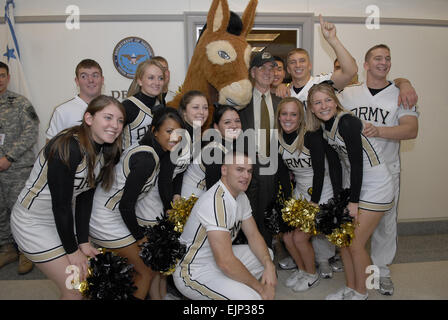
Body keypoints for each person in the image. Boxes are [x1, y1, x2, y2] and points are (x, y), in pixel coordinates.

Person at [10, 95, 125, 300]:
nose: (115, 125)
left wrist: (83, 242)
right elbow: (61, 205)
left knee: (84, 282)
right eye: (108, 118)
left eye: (119, 120)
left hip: (59, 221)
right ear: (89, 118)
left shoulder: (104, 150)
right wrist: (73, 250)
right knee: (74, 288)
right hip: (33, 223)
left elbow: (84, 197)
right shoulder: (68, 146)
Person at [337, 44, 419, 296]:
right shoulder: (349, 94)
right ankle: (355, 273)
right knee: (353, 226)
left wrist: (380, 130)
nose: (383, 63)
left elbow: (411, 130)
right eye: (377, 58)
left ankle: (381, 272)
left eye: (387, 59)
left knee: (385, 225)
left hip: (387, 170)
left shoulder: (401, 93)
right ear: (365, 64)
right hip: (354, 171)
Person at [306, 82, 394, 300]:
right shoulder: (325, 129)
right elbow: (335, 167)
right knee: (343, 242)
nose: (324, 106)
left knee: (355, 243)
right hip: (357, 184)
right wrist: (338, 201)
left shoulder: (347, 122)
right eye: (317, 102)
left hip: (376, 184)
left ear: (336, 102)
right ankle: (351, 287)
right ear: (311, 108)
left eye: (327, 100)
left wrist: (353, 201)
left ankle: (361, 292)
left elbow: (357, 163)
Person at [89, 107, 184, 300]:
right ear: (154, 131)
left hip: (113, 215)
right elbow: (126, 205)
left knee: (140, 270)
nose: (175, 137)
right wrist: (140, 237)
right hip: (104, 218)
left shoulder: (151, 151)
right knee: (145, 271)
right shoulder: (147, 159)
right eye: (168, 131)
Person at [173, 151, 277, 300]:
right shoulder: (216, 202)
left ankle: (226, 288)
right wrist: (261, 289)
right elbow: (226, 262)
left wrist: (269, 265)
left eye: (249, 171)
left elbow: (253, 235)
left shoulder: (240, 196)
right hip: (193, 270)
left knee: (267, 256)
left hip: (217, 261)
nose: (246, 176)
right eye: (239, 170)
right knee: (253, 299)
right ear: (224, 170)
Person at [276, 97, 342, 291]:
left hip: (321, 193)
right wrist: (289, 202)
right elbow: (282, 174)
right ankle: (303, 270)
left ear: (300, 117)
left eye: (293, 114)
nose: (288, 118)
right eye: (284, 113)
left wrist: (314, 202)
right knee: (287, 237)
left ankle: (311, 274)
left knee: (299, 238)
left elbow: (320, 171)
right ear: (279, 116)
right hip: (300, 193)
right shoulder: (277, 138)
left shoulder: (311, 136)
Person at [238, 50, 281, 249]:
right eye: (261, 68)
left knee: (266, 214)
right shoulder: (240, 102)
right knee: (245, 216)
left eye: (271, 67)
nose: (267, 72)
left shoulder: (282, 103)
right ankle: (248, 256)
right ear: (253, 73)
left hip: (270, 166)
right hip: (245, 165)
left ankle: (266, 257)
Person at [0, 62, 39, 275]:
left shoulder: (20, 103)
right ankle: (7, 249)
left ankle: (25, 251)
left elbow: (31, 131)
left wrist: (9, 157)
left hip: (16, 169)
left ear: (8, 77)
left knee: (20, 211)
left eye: (2, 75)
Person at [46, 59, 104, 141]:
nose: (90, 80)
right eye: (84, 76)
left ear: (102, 80)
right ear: (77, 81)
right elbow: (50, 146)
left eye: (95, 75)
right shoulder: (62, 111)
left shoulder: (113, 109)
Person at [122, 59, 166, 150]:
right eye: (151, 78)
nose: (157, 82)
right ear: (140, 81)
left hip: (154, 160)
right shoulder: (127, 106)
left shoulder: (160, 103)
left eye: (160, 78)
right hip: (129, 161)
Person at [178, 90, 210, 198]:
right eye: (196, 107)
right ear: (184, 111)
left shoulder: (196, 132)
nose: (202, 112)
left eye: (205, 108)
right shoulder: (179, 135)